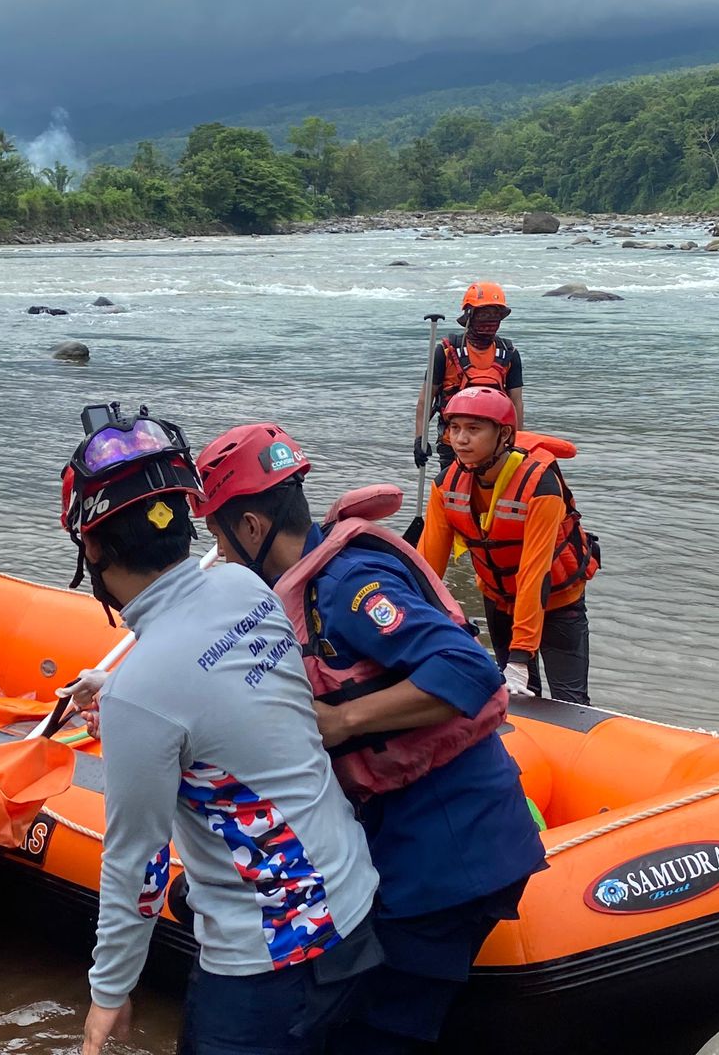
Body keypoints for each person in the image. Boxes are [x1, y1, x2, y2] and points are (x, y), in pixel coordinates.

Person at [195, 422, 546, 1051]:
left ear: (251, 528)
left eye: (218, 536)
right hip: (415, 838)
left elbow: (468, 669)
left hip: (452, 847)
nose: (216, 554)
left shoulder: (349, 584)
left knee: (378, 1026)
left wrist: (341, 721)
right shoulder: (308, 581)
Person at [61, 403, 382, 1055]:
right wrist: (124, 693)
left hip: (269, 961)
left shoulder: (141, 691)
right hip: (354, 905)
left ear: (91, 545)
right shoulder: (243, 587)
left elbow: (138, 866)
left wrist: (108, 993)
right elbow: (229, 701)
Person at [418, 386, 599, 705]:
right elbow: (427, 570)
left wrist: (520, 656)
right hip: (499, 600)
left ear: (503, 435)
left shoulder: (541, 487)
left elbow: (535, 572)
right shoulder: (445, 486)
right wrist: (415, 628)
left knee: (569, 702)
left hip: (558, 601)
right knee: (516, 701)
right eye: (455, 428)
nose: (460, 439)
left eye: (473, 429)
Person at [415, 282, 524, 473]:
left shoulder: (509, 354)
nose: (489, 322)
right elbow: (425, 400)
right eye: (484, 314)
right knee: (453, 497)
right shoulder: (446, 352)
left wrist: (518, 442)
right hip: (455, 444)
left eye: (495, 315)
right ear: (469, 316)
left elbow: (516, 403)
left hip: (496, 448)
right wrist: (419, 439)